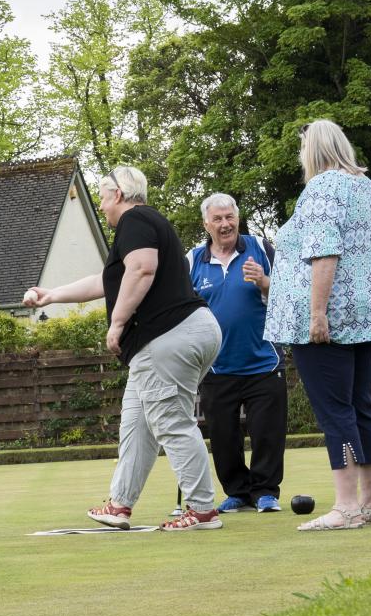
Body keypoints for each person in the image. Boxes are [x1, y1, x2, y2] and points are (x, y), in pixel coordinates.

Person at [22, 166, 224, 531]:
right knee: (136, 420)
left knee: (171, 422)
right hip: (185, 332)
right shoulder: (141, 227)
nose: (100, 206)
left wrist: (117, 323)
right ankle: (120, 505)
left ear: (117, 194)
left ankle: (203, 511)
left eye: (101, 197)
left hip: (167, 336)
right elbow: (108, 279)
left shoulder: (136, 220)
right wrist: (51, 294)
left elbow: (143, 270)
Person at [263, 119, 371, 531]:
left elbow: (324, 253)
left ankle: (347, 506)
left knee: (335, 411)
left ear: (311, 151)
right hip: (364, 312)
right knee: (360, 407)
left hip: (327, 320)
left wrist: (318, 314)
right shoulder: (369, 190)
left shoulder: (321, 189)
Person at [188, 194, 287, 513]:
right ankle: (237, 492)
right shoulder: (193, 260)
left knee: (267, 433)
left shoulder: (260, 247)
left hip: (264, 361)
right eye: (217, 219)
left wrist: (264, 281)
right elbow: (183, 308)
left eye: (229, 217)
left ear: (238, 218)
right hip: (216, 367)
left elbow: (288, 292)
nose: (225, 224)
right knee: (223, 437)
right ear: (206, 224)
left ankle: (265, 492)